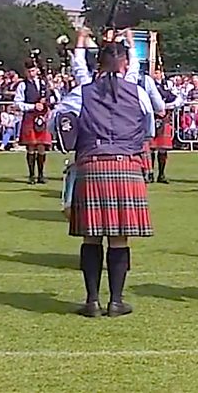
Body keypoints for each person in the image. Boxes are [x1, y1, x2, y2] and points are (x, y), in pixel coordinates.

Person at [57, 30, 154, 318]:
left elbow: (59, 123)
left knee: (90, 237)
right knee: (119, 238)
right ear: (123, 63)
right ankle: (116, 301)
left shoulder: (82, 91)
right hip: (127, 164)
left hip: (92, 164)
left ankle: (91, 301)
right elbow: (148, 127)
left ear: (97, 64)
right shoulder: (137, 91)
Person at [15, 60, 54, 184]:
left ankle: (41, 175)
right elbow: (18, 103)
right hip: (30, 117)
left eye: (33, 70)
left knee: (42, 146)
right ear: (25, 72)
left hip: (42, 118)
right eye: (29, 71)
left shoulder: (44, 83)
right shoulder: (23, 85)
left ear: (37, 70)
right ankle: (32, 175)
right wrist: (33, 106)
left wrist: (48, 100)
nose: (31, 73)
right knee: (31, 146)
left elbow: (54, 98)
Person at [149, 65, 182, 183]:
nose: (156, 74)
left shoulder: (169, 85)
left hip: (164, 117)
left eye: (158, 72)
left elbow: (179, 99)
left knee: (163, 148)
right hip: (152, 116)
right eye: (154, 72)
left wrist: (168, 106)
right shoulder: (148, 84)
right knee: (151, 148)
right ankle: (150, 173)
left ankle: (161, 174)